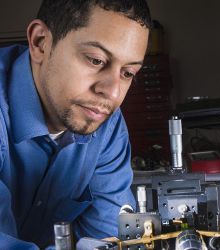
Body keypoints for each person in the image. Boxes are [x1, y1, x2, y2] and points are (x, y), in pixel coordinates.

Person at [0, 0, 151, 249]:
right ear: (40, 42)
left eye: (128, 73)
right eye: (96, 60)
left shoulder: (107, 125)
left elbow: (106, 239)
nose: (112, 93)